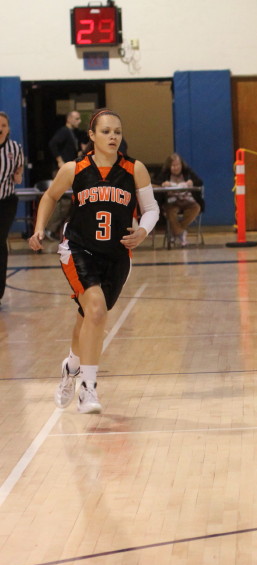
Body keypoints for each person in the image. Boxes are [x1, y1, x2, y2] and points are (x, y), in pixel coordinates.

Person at [28, 108, 159, 414]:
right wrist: (39, 228)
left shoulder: (134, 169)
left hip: (117, 255)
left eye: (117, 132)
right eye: (106, 131)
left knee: (89, 317)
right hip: (79, 249)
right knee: (97, 311)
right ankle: (88, 389)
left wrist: (143, 231)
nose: (113, 137)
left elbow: (151, 208)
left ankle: (71, 366)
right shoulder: (74, 169)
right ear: (92, 135)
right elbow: (50, 196)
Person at [44, 111, 88, 240]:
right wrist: (59, 160)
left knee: (68, 201)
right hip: (62, 171)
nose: (79, 121)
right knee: (64, 200)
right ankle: (49, 228)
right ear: (69, 119)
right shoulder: (63, 131)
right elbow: (52, 144)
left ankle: (55, 229)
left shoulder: (72, 133)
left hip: (70, 170)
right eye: (77, 119)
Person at [0, 111, 25, 309]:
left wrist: (18, 176)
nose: (0, 129)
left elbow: (19, 172)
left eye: (3, 125)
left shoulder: (15, 148)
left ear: (8, 129)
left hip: (6, 201)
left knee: (0, 241)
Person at [153, 153, 203, 247]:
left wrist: (191, 182)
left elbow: (199, 182)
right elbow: (154, 182)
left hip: (187, 200)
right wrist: (163, 183)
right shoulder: (165, 173)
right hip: (172, 201)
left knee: (196, 208)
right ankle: (181, 233)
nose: (176, 168)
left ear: (181, 165)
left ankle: (175, 232)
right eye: (173, 165)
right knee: (170, 211)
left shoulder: (187, 172)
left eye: (177, 165)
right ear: (169, 166)